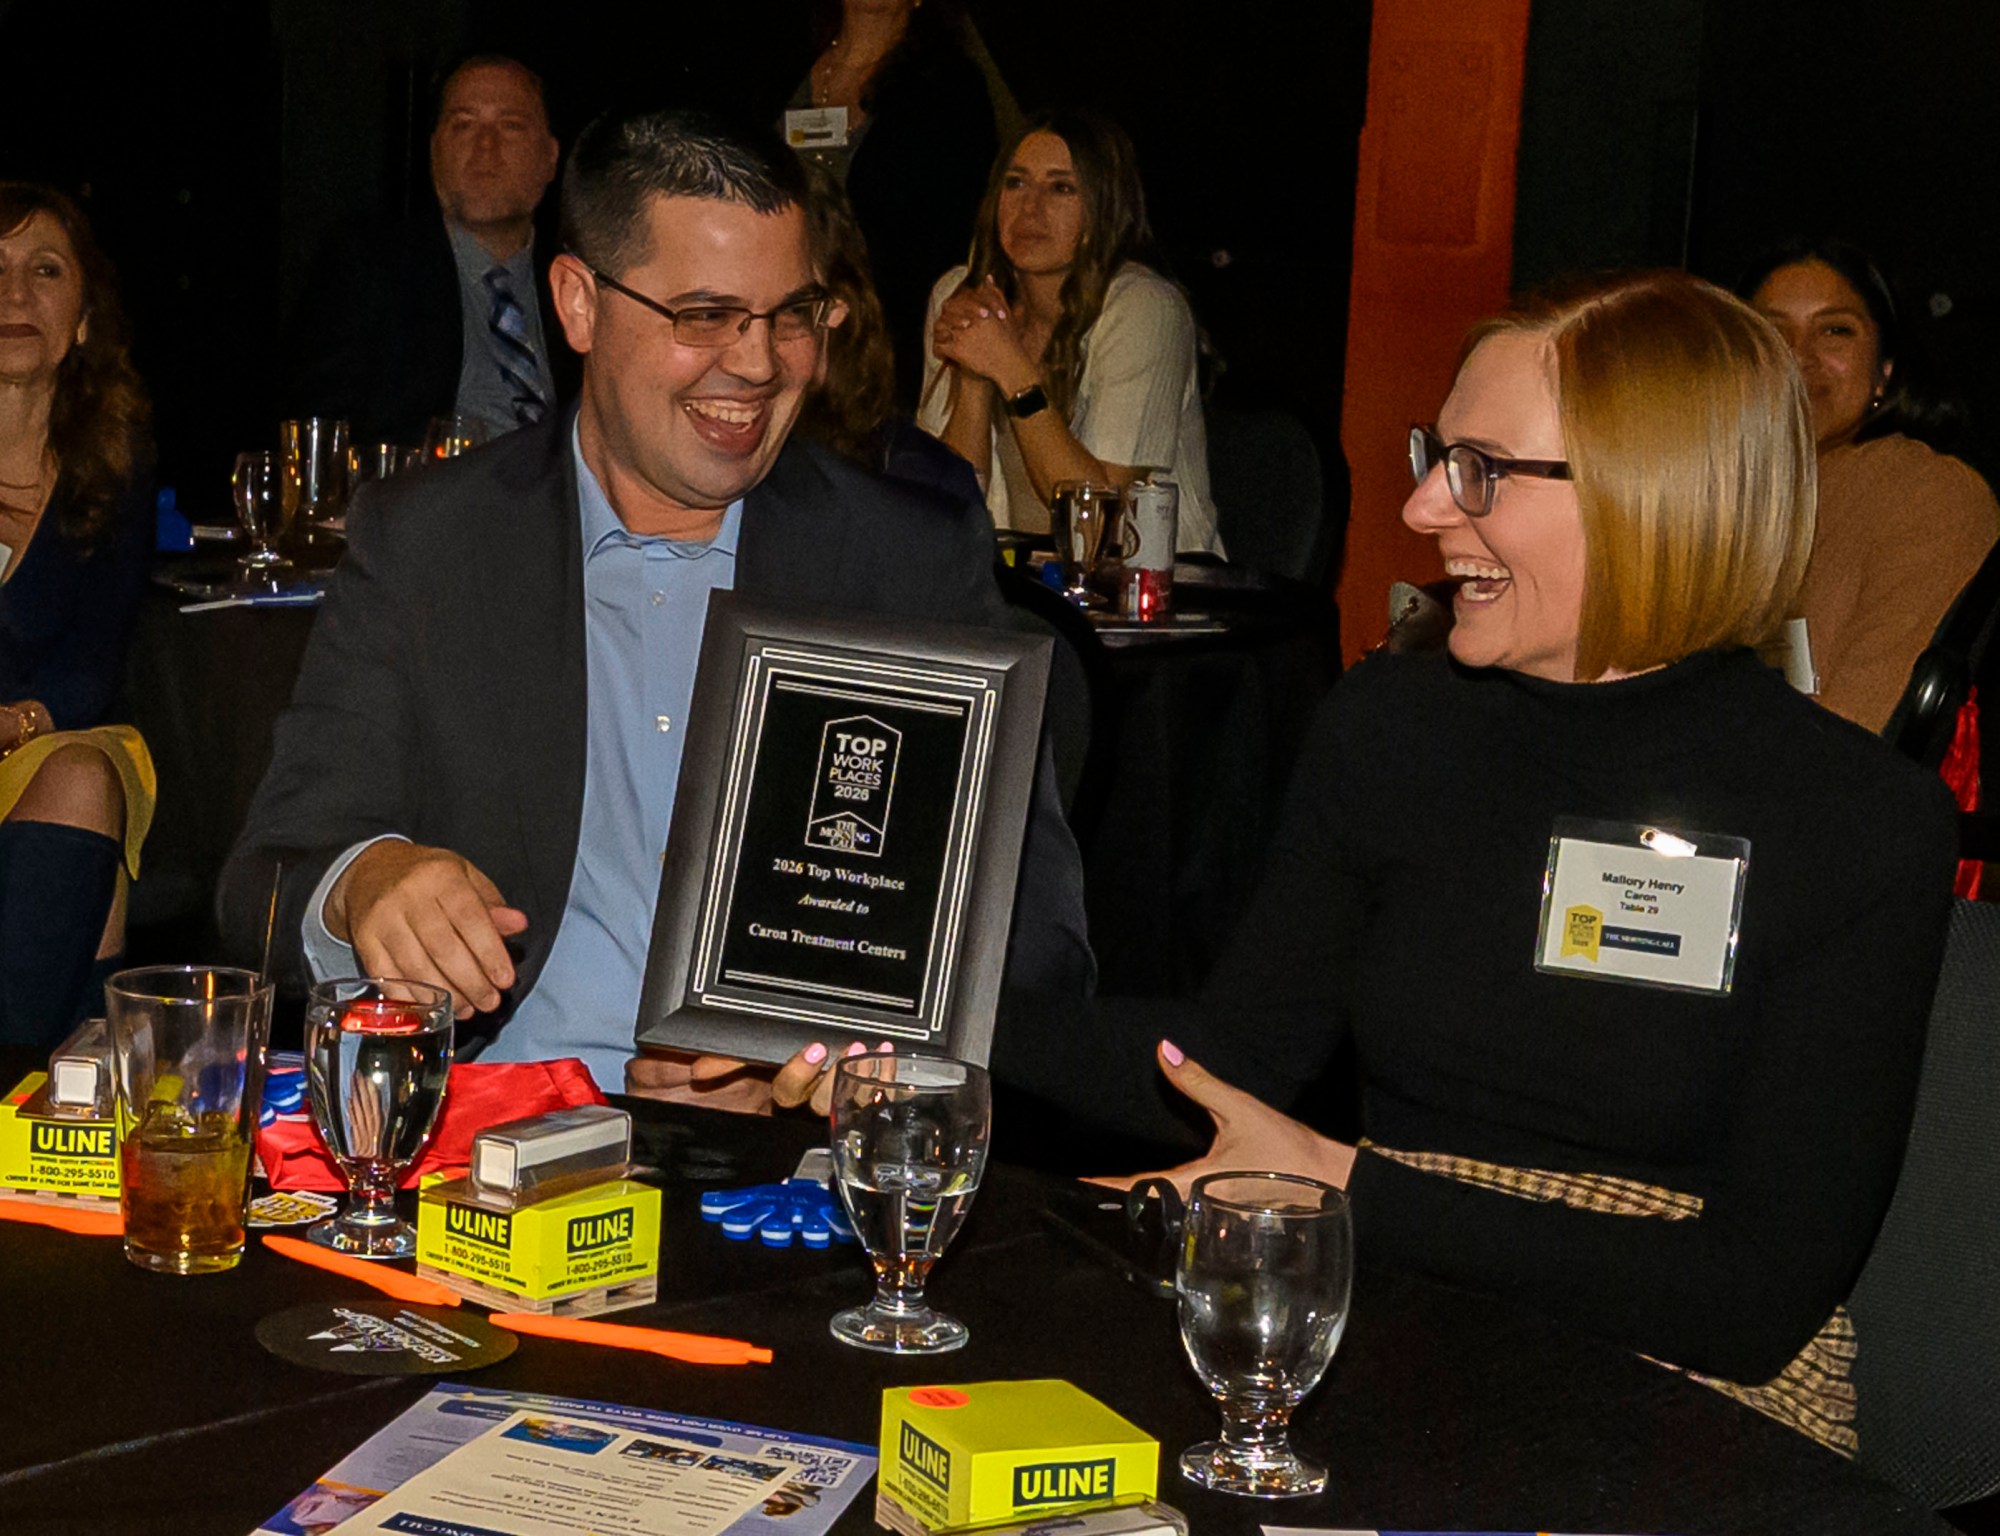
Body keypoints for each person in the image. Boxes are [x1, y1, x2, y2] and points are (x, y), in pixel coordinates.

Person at [986, 271, 1957, 1447]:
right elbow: (1231, 1055)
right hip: (1393, 1336)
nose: (1420, 510)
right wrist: (919, 1025)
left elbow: (1746, 1301)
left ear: (1649, 495)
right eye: (1434, 454)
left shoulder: (1852, 819)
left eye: (1480, 471)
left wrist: (1342, 1191)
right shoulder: (1394, 726)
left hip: (1679, 1408)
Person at [220, 108, 1092, 1098]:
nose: (759, 364)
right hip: (500, 1140)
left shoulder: (904, 559)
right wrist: (365, 884)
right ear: (579, 305)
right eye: (705, 316)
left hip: (789, 1157)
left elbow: (1037, 936)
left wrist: (848, 1048)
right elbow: (267, 877)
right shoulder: (433, 541)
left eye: (792, 314)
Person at [0, 183, 156, 1045]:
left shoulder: (113, 462)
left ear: (83, 317)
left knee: (89, 772)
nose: (15, 295)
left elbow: (94, 664)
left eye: (44, 270)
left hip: (35, 746)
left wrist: (15, 722)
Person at [916, 112, 1220, 555]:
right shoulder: (960, 293)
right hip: (1013, 592)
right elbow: (942, 515)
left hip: (1145, 598)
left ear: (1104, 208)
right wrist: (973, 380)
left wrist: (1012, 371)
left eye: (1060, 188)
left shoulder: (1145, 308)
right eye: (1015, 183)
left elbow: (1095, 527)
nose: (1029, 208)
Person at [1743, 239, 1999, 733]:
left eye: (1835, 331)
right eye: (1771, 333)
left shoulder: (1926, 494)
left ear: (1885, 370)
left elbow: (1863, 738)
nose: (1800, 356)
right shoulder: (1704, 501)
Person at [281, 54, 576, 446]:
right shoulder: (369, 269)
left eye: (511, 126)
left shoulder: (586, 279)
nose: (486, 146)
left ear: (550, 158)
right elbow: (319, 428)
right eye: (464, 125)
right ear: (435, 150)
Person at [786, 0, 1002, 408]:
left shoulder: (950, 86)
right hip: (775, 319)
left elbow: (955, 242)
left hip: (880, 347)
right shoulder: (785, 65)